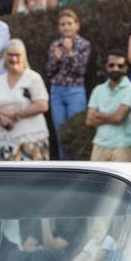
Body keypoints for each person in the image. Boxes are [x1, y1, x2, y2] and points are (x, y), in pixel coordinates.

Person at [0, 40, 50, 161]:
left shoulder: (32, 78)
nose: (14, 59)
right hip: (6, 140)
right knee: (8, 178)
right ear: (5, 57)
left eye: (17, 55)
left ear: (23, 56)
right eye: (10, 55)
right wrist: (0, 114)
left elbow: (42, 105)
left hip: (31, 139)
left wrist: (17, 114)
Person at [47, 9, 91, 159]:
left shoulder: (83, 44)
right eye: (63, 24)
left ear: (77, 25)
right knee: (60, 134)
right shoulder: (55, 44)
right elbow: (50, 72)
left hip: (75, 91)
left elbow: (80, 70)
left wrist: (70, 52)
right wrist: (57, 59)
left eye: (69, 24)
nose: (66, 27)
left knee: (74, 133)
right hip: (56, 91)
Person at [85, 49, 131, 162]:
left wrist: (98, 115)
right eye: (111, 65)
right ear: (106, 67)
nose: (115, 68)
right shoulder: (98, 90)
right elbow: (89, 120)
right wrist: (112, 116)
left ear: (125, 68)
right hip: (99, 145)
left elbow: (118, 118)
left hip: (123, 146)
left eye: (120, 65)